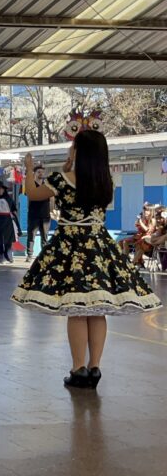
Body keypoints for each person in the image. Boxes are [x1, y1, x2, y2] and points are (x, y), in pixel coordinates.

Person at [11, 130, 162, 389]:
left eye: (73, 146)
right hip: (99, 246)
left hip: (70, 247)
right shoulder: (105, 182)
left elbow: (32, 193)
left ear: (79, 151)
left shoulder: (61, 179)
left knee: (77, 310)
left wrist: (28, 168)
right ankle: (95, 367)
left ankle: (78, 368)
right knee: (97, 310)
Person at [25, 165, 52, 262]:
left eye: (42, 172)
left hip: (45, 215)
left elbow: (51, 199)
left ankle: (44, 255)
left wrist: (52, 211)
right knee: (31, 236)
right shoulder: (31, 185)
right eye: (39, 172)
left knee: (45, 237)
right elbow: (28, 199)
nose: (41, 174)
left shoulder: (47, 185)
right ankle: (29, 255)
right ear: (35, 174)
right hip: (34, 215)